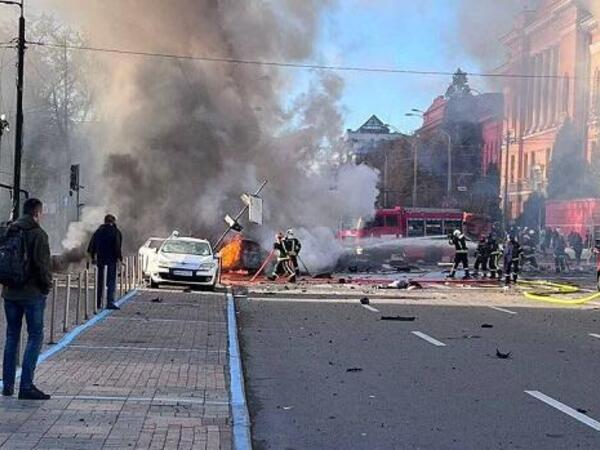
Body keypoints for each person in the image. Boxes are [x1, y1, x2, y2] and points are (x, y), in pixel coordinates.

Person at [2, 198, 52, 400]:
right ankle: (26, 385)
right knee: (35, 337)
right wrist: (46, 286)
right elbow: (42, 266)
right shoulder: (38, 234)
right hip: (32, 294)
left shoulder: (9, 230)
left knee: (12, 337)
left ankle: (7, 385)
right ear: (37, 213)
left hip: (9, 292)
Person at [88, 214, 123, 310]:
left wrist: (92, 257)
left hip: (100, 260)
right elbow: (117, 247)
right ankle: (109, 302)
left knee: (100, 282)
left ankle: (98, 303)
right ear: (113, 222)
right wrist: (120, 258)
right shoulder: (115, 232)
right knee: (110, 282)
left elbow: (91, 246)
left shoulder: (98, 232)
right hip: (111, 261)